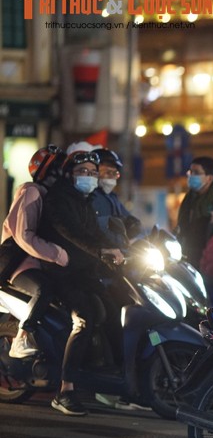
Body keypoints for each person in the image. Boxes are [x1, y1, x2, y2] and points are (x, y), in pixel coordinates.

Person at [38, 150, 124, 416]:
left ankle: (108, 376)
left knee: (114, 305)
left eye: (91, 172)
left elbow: (96, 233)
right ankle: (65, 390)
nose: (88, 176)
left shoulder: (84, 199)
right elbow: (71, 233)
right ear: (69, 174)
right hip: (60, 271)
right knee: (84, 317)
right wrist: (100, 252)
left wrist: (120, 250)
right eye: (81, 171)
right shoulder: (60, 199)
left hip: (83, 270)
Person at [2, 146, 69, 358]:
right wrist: (57, 254)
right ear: (44, 171)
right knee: (45, 289)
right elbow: (24, 236)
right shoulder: (31, 192)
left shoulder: (52, 198)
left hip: (38, 262)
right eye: (56, 167)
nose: (61, 173)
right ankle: (23, 337)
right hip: (20, 264)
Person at [176, 156, 213, 267]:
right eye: (190, 172)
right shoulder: (189, 199)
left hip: (209, 258)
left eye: (196, 172)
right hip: (186, 254)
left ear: (209, 178)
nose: (191, 175)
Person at [90, 148, 142, 248]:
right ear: (94, 171)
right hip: (96, 252)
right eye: (107, 172)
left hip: (117, 252)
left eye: (115, 173)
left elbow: (127, 219)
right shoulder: (89, 196)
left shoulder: (112, 197)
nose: (111, 177)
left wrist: (134, 224)